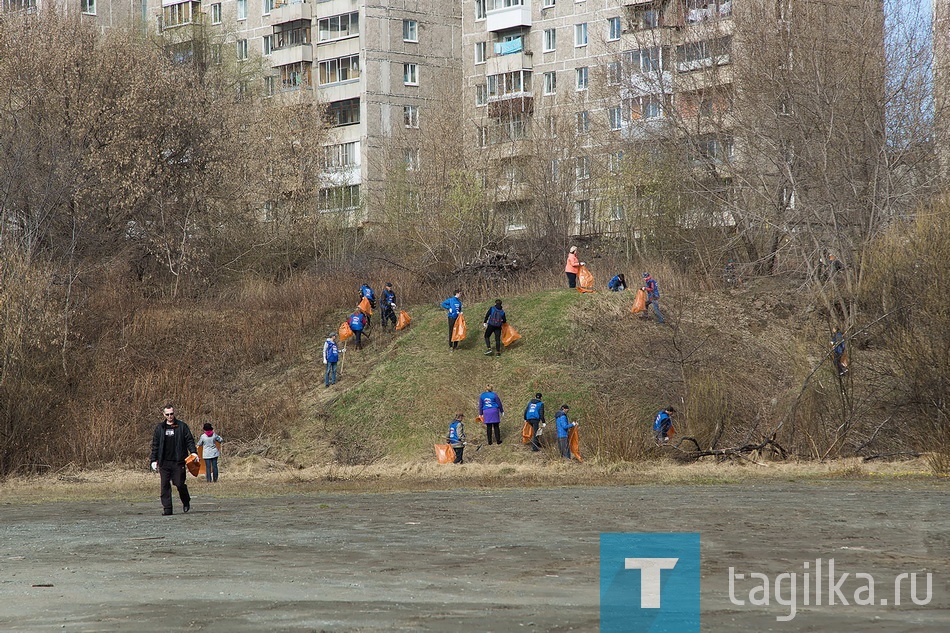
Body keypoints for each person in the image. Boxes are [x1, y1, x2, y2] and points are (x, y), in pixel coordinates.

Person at [149, 404, 198, 516]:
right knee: (165, 485)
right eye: (167, 414)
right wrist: (153, 460)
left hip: (178, 461)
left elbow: (189, 440)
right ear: (164, 415)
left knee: (179, 484)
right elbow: (155, 445)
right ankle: (167, 509)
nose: (170, 416)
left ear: (174, 413)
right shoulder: (160, 428)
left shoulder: (182, 426)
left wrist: (193, 452)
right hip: (164, 462)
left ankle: (186, 500)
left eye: (171, 414)